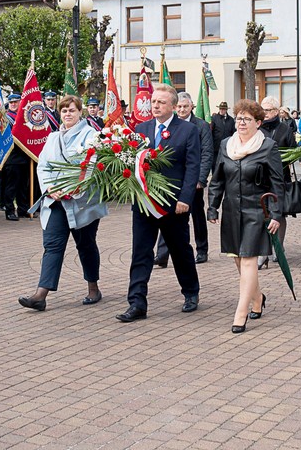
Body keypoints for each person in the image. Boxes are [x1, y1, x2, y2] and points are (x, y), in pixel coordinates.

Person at [117, 84, 201, 323]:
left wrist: (185, 199)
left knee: (179, 250)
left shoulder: (187, 130)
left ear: (173, 106)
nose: (155, 106)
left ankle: (191, 291)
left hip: (173, 204)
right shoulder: (141, 129)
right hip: (144, 203)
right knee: (141, 252)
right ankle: (136, 302)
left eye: (161, 102)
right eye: (153, 101)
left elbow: (192, 167)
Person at [18, 95, 108, 311]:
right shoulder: (52, 138)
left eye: (72, 110)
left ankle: (93, 288)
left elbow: (92, 166)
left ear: (80, 113)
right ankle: (41, 294)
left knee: (85, 245)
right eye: (64, 110)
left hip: (82, 202)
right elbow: (43, 166)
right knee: (52, 246)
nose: (68, 114)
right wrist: (50, 188)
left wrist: (73, 189)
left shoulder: (92, 136)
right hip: (55, 200)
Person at [207, 99, 284, 333]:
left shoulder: (268, 147)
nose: (241, 122)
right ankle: (258, 298)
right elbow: (218, 179)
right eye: (238, 117)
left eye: (247, 118)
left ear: (258, 123)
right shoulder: (225, 145)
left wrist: (276, 214)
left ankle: (241, 313)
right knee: (238, 259)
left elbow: (278, 184)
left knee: (250, 259)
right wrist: (213, 206)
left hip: (256, 210)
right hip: (231, 210)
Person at [153, 92, 213, 266]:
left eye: (185, 106)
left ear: (192, 107)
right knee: (166, 215)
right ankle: (162, 255)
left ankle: (202, 250)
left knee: (197, 216)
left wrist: (200, 179)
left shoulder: (200, 126)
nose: (181, 109)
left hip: (193, 181)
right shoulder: (170, 125)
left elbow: (207, 153)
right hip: (172, 182)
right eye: (179, 106)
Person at [256, 96, 296, 268]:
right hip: (259, 178)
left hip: (281, 177)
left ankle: (278, 247)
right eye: (263, 110)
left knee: (279, 212)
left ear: (276, 111)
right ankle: (263, 252)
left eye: (269, 110)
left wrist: (286, 158)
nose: (265, 114)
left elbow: (293, 150)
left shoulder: (284, 129)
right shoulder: (257, 128)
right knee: (261, 213)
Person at [0, 93, 31, 220]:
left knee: (23, 186)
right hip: (11, 156)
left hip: (24, 155)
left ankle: (23, 209)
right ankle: (10, 210)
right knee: (11, 186)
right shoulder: (6, 118)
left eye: (16, 102)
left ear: (20, 103)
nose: (13, 104)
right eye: (11, 102)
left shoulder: (25, 117)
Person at [210, 101, 235, 168]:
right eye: (220, 108)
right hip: (216, 146)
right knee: (215, 164)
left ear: (226, 110)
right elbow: (211, 131)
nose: (221, 110)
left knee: (226, 165)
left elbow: (233, 133)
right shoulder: (214, 118)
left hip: (227, 146)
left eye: (223, 109)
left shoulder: (231, 120)